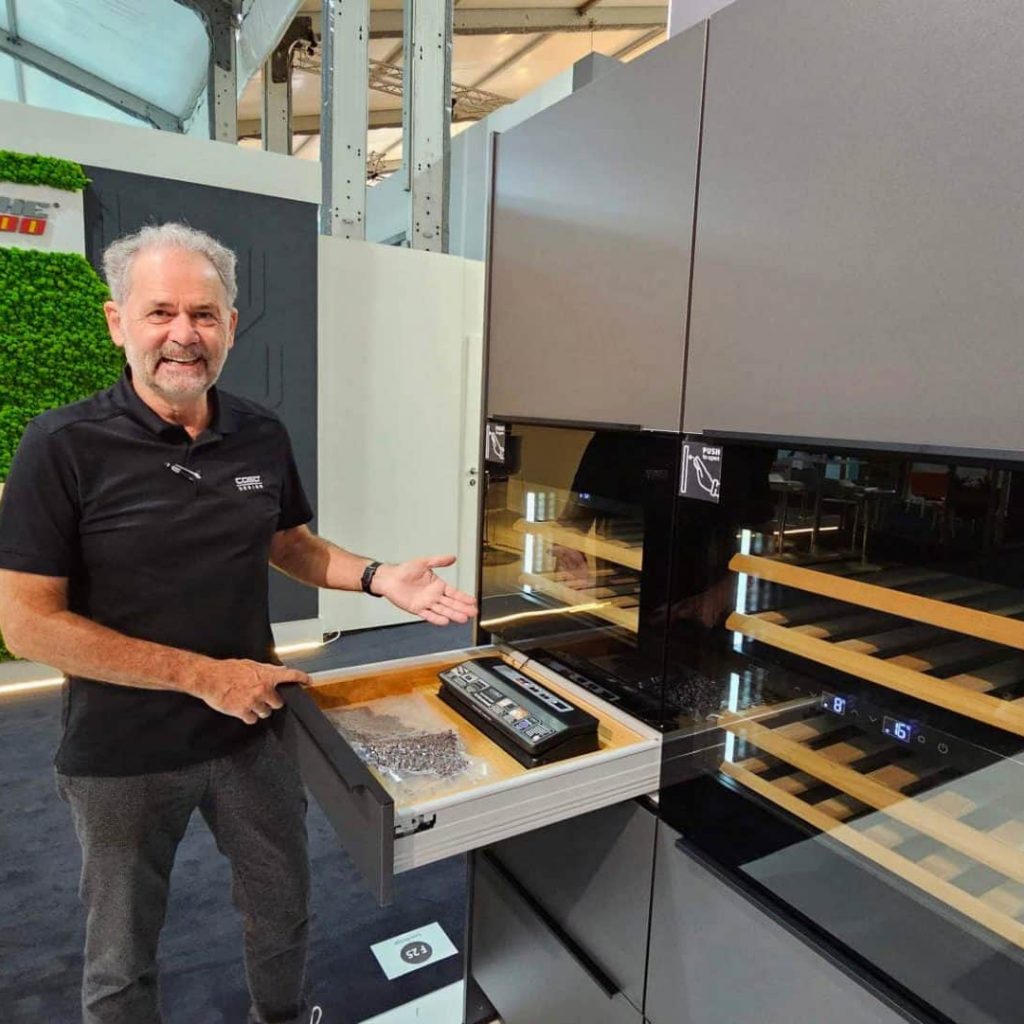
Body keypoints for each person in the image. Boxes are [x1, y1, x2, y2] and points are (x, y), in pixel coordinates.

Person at [0, 222, 477, 1024]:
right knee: (120, 958)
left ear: (229, 323)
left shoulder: (260, 432)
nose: (183, 334)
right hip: (120, 753)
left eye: (204, 314)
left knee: (282, 912)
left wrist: (377, 576)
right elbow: (27, 625)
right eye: (159, 312)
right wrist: (202, 676)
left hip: (254, 732)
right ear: (117, 322)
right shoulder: (61, 445)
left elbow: (289, 544)